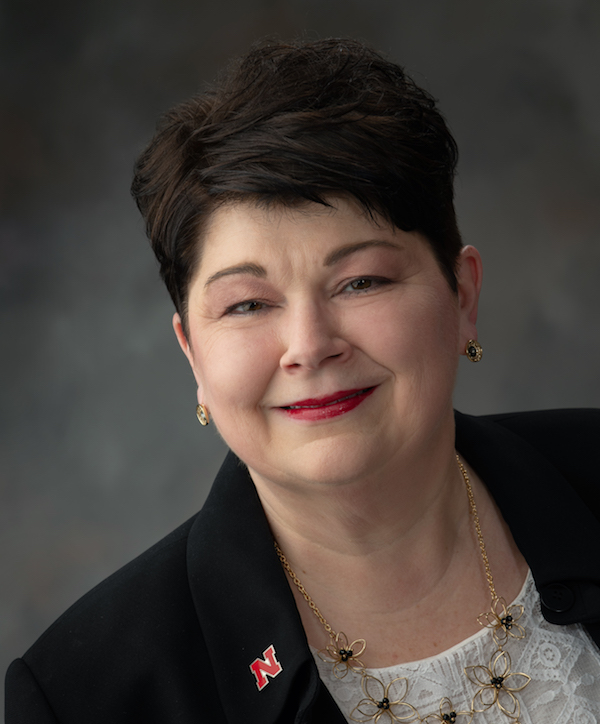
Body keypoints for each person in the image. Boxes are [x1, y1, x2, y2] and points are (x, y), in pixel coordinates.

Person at [6, 38, 600, 724]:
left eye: (361, 282)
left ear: (462, 296)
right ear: (192, 353)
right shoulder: (84, 697)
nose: (310, 346)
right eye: (247, 305)